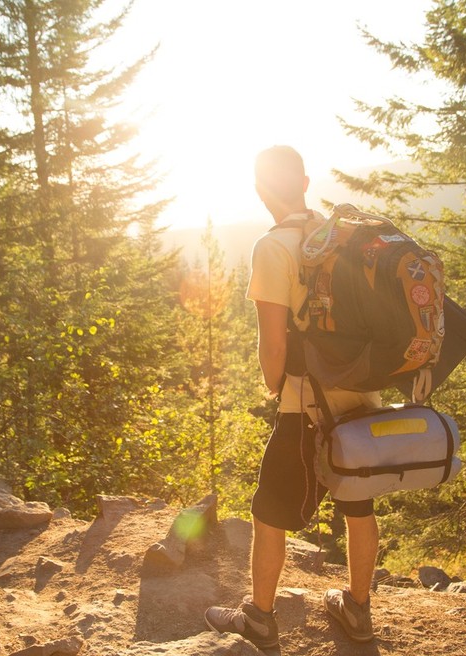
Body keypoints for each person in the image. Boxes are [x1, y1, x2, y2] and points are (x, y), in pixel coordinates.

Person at [203, 146, 381, 650]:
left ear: (262, 191)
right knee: (358, 501)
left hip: (306, 401)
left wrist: (272, 383)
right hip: (361, 395)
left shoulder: (272, 247)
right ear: (304, 183)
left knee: (269, 510)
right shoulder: (340, 237)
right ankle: (358, 610)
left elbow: (274, 345)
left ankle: (259, 619)